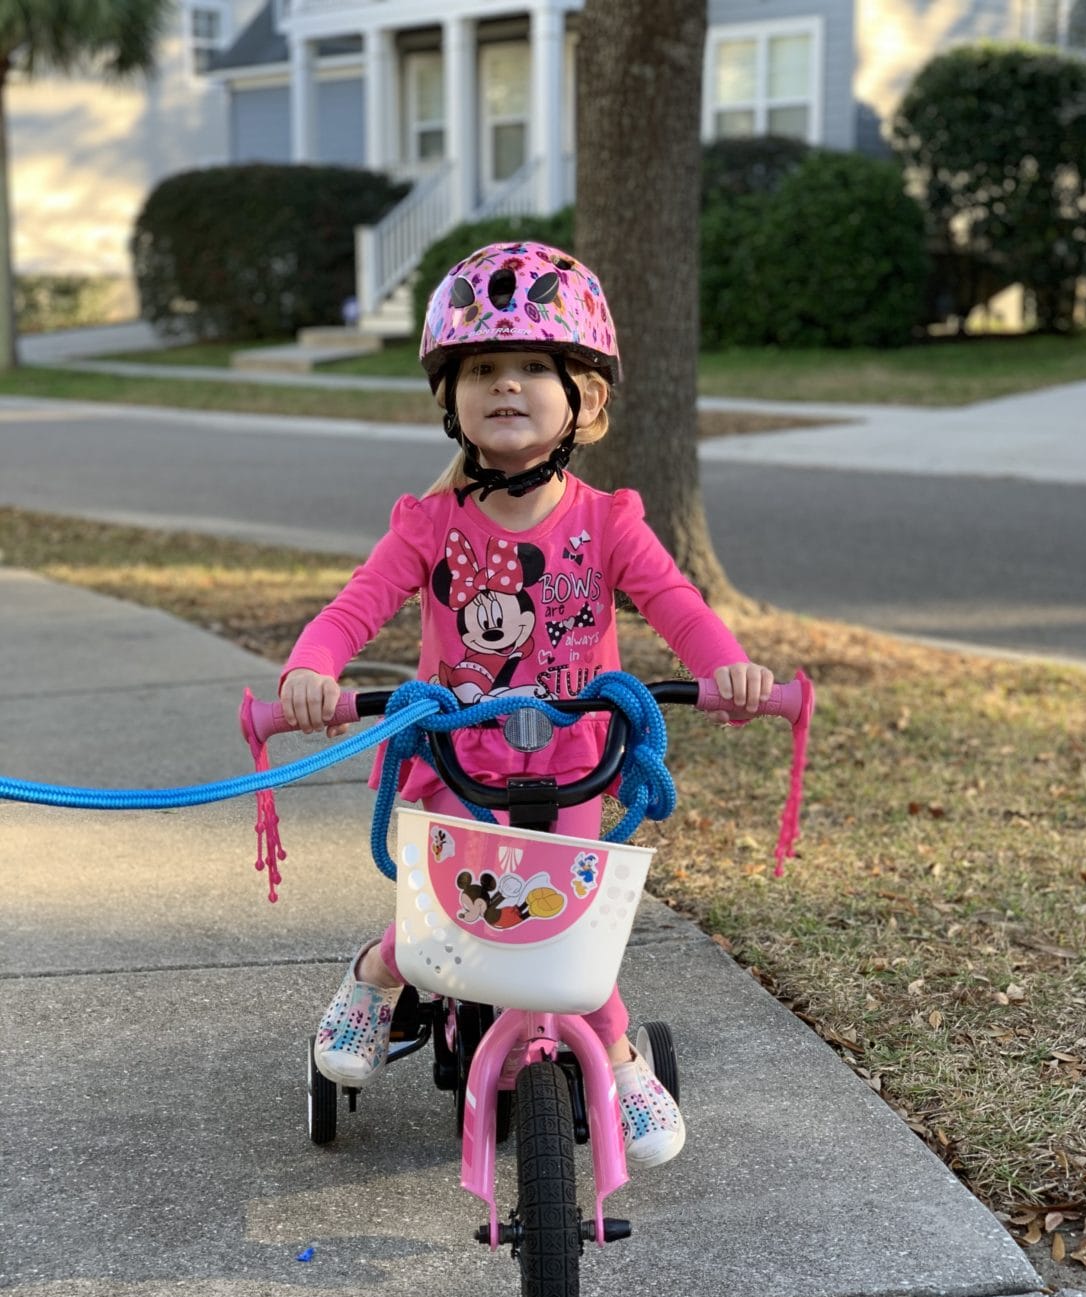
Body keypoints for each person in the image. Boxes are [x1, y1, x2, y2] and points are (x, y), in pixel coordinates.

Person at [280, 241, 774, 1167]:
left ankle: (620, 1060)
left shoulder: (606, 521)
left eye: (530, 368)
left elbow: (674, 602)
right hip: (454, 762)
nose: (505, 386)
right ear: (450, 400)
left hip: (574, 761)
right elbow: (357, 605)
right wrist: (311, 669)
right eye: (481, 369)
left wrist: (730, 667)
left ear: (581, 396)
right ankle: (372, 978)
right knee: (447, 926)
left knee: (568, 931)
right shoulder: (429, 525)